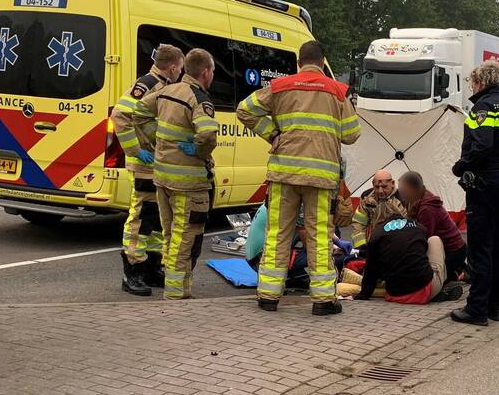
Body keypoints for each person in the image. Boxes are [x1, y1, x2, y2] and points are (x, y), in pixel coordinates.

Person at [237, 41, 360, 315]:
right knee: (318, 236)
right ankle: (323, 300)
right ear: (322, 60)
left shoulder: (281, 86)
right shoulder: (338, 91)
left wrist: (272, 133)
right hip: (320, 178)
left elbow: (244, 109)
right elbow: (352, 134)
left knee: (278, 233)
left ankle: (268, 296)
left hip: (284, 174)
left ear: (299, 62)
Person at [450, 61, 499, 326]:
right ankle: (497, 305)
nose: (473, 88)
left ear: (481, 82)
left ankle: (477, 309)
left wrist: (461, 167)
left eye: (473, 83)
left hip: (486, 183)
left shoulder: (483, 106)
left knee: (481, 246)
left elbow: (482, 145)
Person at [135, 48, 218, 300]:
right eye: (212, 71)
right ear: (205, 72)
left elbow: (138, 112)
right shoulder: (197, 97)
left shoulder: (165, 91)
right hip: (188, 183)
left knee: (170, 234)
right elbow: (207, 134)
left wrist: (158, 139)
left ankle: (172, 286)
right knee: (186, 237)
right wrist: (199, 152)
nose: (212, 75)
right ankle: (177, 292)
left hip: (162, 178)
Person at [110, 44, 185, 296]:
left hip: (156, 165)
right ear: (173, 67)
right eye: (180, 68)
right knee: (140, 218)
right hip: (144, 164)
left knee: (154, 219)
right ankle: (132, 271)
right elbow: (120, 115)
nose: (181, 73)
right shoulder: (148, 83)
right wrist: (134, 150)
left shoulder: (162, 86)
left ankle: (152, 267)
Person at [355, 216, 462, 304]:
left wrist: (363, 295)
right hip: (425, 291)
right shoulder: (420, 228)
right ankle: (442, 286)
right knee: (434, 240)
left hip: (395, 295)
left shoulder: (376, 234)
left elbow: (371, 270)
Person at [397, 171, 468, 281]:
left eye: (403, 191)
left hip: (453, 251)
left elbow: (424, 239)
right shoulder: (415, 199)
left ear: (413, 189)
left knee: (426, 279)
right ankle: (454, 272)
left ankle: (458, 274)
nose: (401, 194)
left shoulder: (427, 209)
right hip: (445, 249)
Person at [351, 170, 406, 250]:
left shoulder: (403, 199)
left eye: (384, 187)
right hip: (374, 242)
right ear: (373, 184)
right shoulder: (367, 197)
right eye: (377, 187)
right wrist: (361, 246)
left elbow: (408, 227)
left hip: (397, 244)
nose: (380, 191)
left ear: (393, 184)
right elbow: (359, 223)